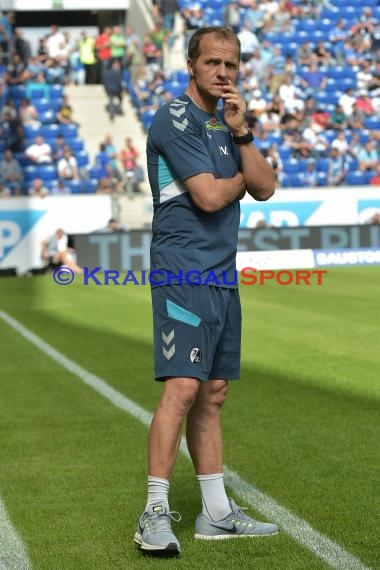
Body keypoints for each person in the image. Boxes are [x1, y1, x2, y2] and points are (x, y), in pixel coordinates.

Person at [134, 26, 278, 556]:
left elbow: (266, 186)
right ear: (191, 64)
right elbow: (213, 197)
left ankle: (216, 515)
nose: (224, 73)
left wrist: (243, 137)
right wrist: (245, 170)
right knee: (183, 390)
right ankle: (153, 512)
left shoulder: (229, 121)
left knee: (213, 394)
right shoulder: (174, 118)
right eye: (213, 62)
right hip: (182, 271)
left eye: (232, 65)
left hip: (221, 273)